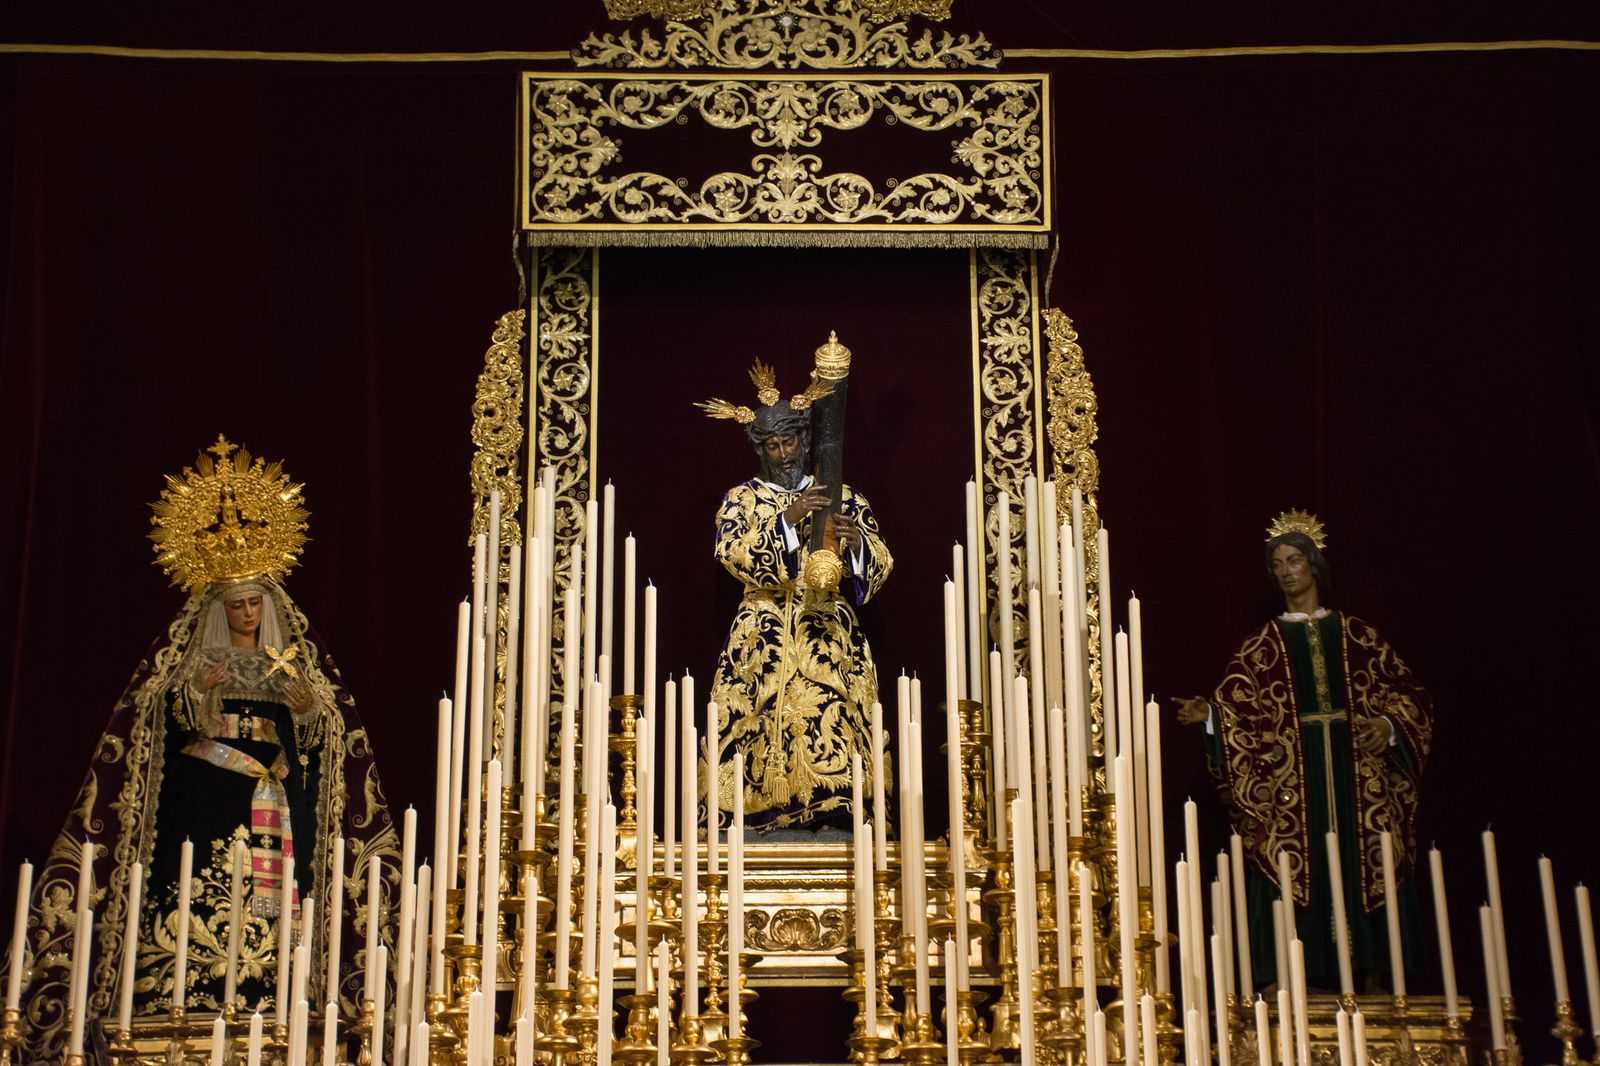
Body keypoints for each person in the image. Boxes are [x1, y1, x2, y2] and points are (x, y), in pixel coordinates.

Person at [18, 438, 398, 1059]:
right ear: (218, 610)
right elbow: (149, 734)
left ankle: (269, 989)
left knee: (273, 897)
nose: (248, 612)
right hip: (208, 791)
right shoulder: (188, 664)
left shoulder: (291, 661)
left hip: (272, 792)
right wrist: (194, 693)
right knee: (200, 881)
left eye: (256, 602)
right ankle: (185, 987)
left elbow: (331, 741)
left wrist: (307, 712)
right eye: (237, 604)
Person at [1174, 511, 1432, 992]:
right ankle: (1298, 972)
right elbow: (1237, 708)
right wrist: (1209, 716)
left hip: (1360, 777)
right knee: (1289, 857)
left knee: (1369, 857)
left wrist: (1389, 725)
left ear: (1314, 565)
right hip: (1294, 785)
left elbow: (1409, 693)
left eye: (1294, 560)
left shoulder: (1359, 636)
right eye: (1277, 563)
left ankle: (1375, 968)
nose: (1286, 571)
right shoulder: (1262, 648)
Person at [698, 361, 893, 832]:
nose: (784, 454)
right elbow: (733, 553)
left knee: (836, 715)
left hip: (825, 630)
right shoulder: (741, 500)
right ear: (760, 449)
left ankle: (838, 813)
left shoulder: (842, 493)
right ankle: (761, 817)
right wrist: (788, 519)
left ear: (804, 442)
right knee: (759, 721)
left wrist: (855, 542)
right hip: (763, 636)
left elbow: (881, 562)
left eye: (790, 442)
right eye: (773, 445)